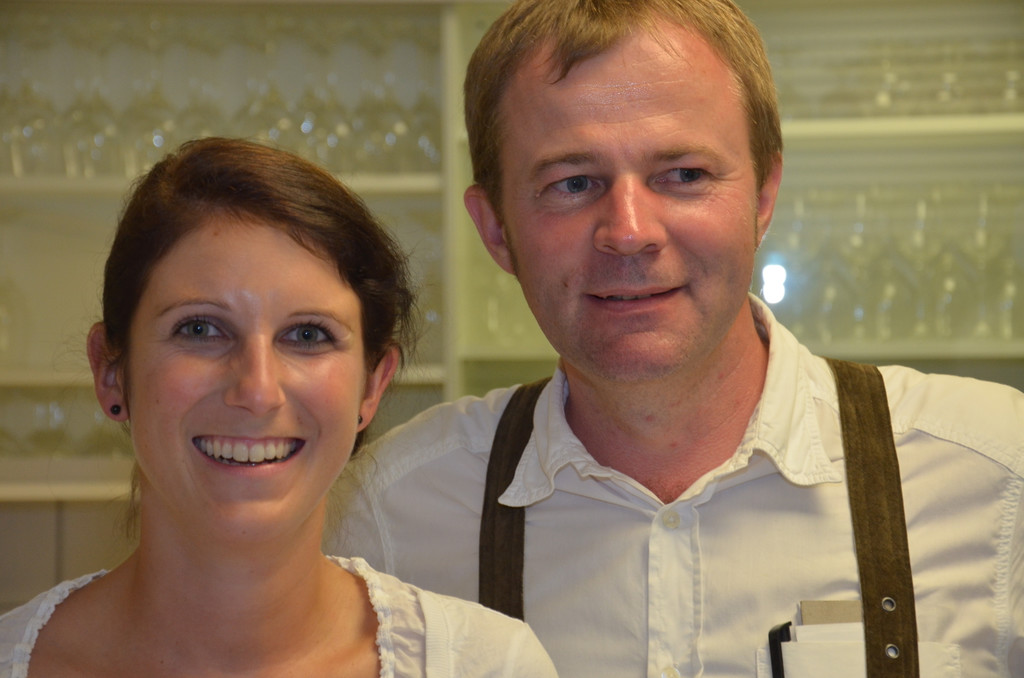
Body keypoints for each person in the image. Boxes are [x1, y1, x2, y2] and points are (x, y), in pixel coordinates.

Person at [328, 1, 1024, 676]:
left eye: (685, 175)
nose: (629, 231)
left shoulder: (999, 476)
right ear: (495, 229)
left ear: (763, 195)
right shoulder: (386, 515)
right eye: (573, 182)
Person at [0, 137, 558, 678]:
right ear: (110, 372)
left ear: (371, 387)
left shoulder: (488, 666)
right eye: (200, 329)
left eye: (308, 335)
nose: (258, 390)